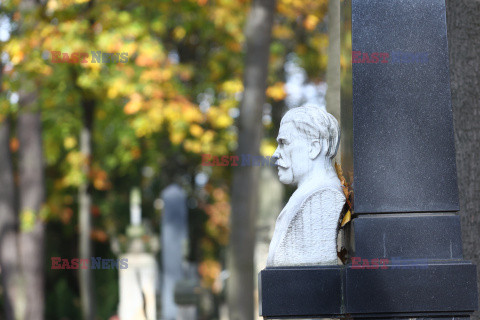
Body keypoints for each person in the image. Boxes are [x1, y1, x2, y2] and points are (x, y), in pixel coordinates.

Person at [267, 105, 346, 267]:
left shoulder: (323, 198)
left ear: (314, 148)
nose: (275, 154)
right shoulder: (305, 196)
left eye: (283, 143)